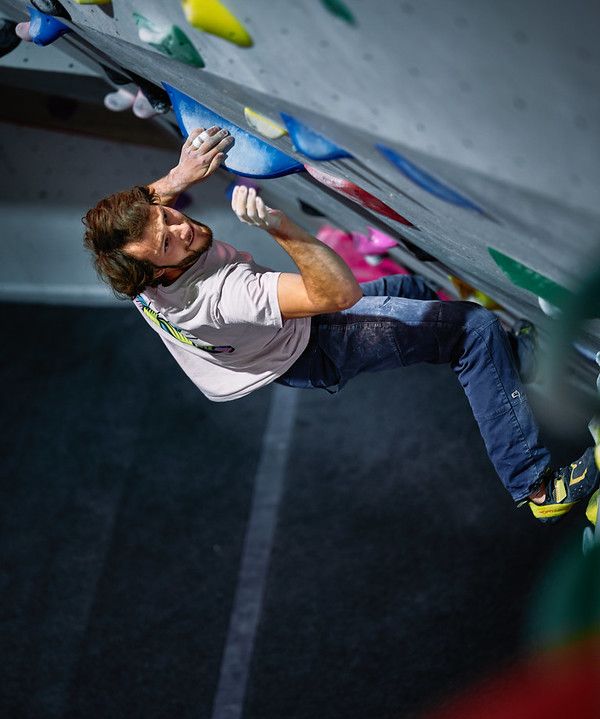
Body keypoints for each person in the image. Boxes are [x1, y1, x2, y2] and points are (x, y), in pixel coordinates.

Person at [83, 127, 599, 523]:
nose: (182, 226)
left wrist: (176, 178)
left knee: (412, 290)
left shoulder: (132, 266)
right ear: (163, 271)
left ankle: (513, 364)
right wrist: (281, 227)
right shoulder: (223, 297)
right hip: (314, 341)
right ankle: (535, 487)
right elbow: (337, 296)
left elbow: (141, 215)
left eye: (166, 215)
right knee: (473, 330)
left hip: (267, 352)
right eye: (170, 241)